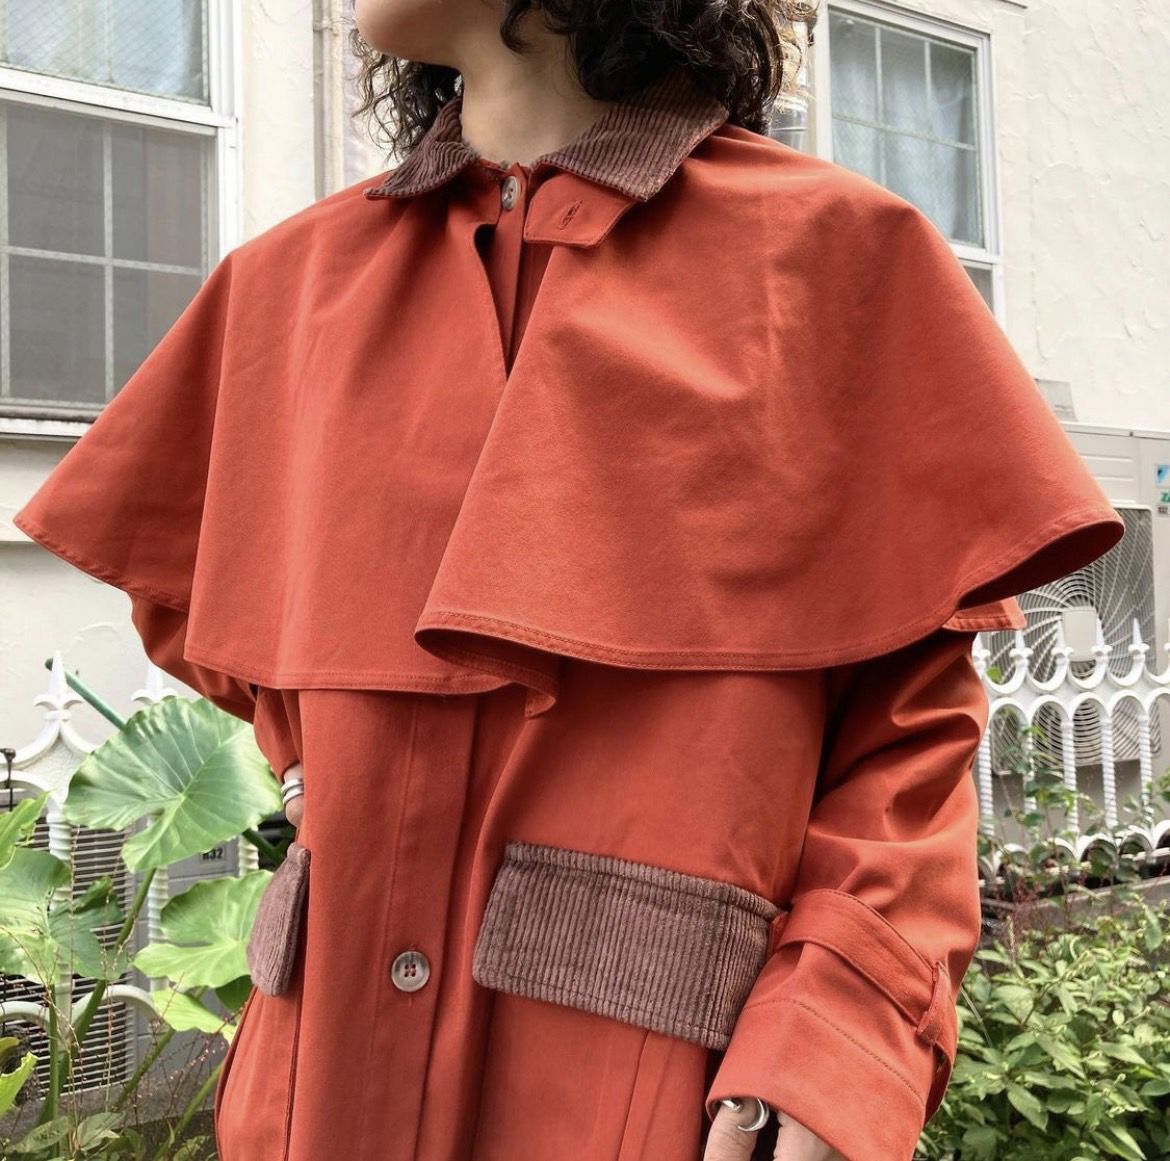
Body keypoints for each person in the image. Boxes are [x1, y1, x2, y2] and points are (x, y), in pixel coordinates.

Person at [12, 0, 1124, 1158]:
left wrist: (833, 1033)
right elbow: (223, 617)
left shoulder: (834, 260)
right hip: (320, 1088)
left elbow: (908, 741)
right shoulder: (286, 287)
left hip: (664, 1101)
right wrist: (310, 767)